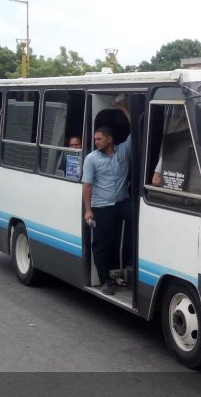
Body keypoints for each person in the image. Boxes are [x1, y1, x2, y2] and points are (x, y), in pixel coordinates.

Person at [81, 100, 132, 295]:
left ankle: (129, 267)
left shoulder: (123, 151)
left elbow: (136, 130)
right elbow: (87, 186)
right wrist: (88, 210)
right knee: (102, 244)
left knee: (135, 228)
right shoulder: (92, 158)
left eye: (99, 139)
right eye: (95, 139)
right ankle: (105, 280)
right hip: (102, 206)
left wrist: (124, 108)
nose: (96, 142)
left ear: (110, 139)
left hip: (122, 203)